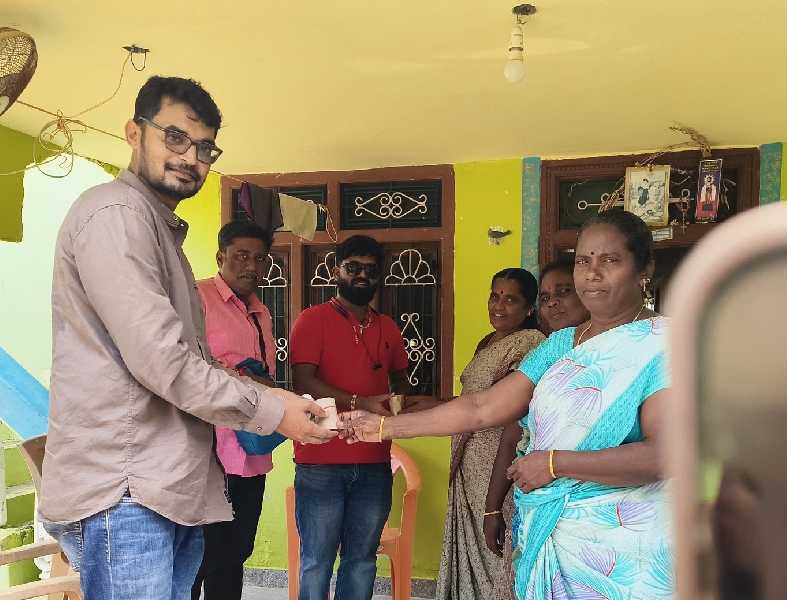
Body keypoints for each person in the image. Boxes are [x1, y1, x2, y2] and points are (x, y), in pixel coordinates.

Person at [39, 76, 334, 600]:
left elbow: (190, 359)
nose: (191, 157)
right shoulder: (116, 215)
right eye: (175, 137)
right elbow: (164, 363)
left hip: (165, 487)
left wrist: (277, 398)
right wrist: (270, 410)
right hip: (126, 493)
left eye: (204, 147)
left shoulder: (159, 231)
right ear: (134, 132)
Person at [340, 210, 674, 600]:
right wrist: (380, 427)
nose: (592, 274)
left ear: (644, 269)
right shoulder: (560, 345)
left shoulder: (665, 345)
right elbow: (482, 408)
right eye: (584, 261)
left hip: (628, 550)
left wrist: (553, 463)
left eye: (610, 260)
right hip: (550, 538)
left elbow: (663, 456)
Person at [289, 234, 411, 600]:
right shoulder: (313, 320)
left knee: (361, 560)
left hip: (375, 461)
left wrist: (401, 403)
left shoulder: (388, 327)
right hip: (320, 461)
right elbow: (303, 381)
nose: (361, 276)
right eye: (353, 268)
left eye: (370, 271)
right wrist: (361, 401)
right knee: (317, 561)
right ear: (336, 270)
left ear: (380, 276)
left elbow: (399, 380)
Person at [429, 268, 545, 600]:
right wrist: (432, 403)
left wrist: (493, 505)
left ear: (529, 308)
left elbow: (506, 412)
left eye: (511, 299)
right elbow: (474, 401)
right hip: (468, 466)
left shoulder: (531, 343)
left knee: (496, 551)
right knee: (474, 551)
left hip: (497, 466)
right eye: (495, 295)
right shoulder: (489, 341)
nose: (499, 305)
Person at [482, 258, 590, 587]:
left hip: (595, 512)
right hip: (536, 502)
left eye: (563, 291)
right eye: (546, 296)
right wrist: (492, 508)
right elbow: (506, 431)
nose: (553, 301)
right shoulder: (546, 355)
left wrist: (555, 464)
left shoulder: (625, 353)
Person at [191, 220, 279, 600]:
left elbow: (267, 376)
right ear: (220, 257)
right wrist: (246, 379)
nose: (252, 266)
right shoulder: (197, 298)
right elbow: (190, 366)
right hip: (205, 452)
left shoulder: (261, 313)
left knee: (236, 551)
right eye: (242, 255)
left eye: (260, 258)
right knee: (198, 555)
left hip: (248, 451)